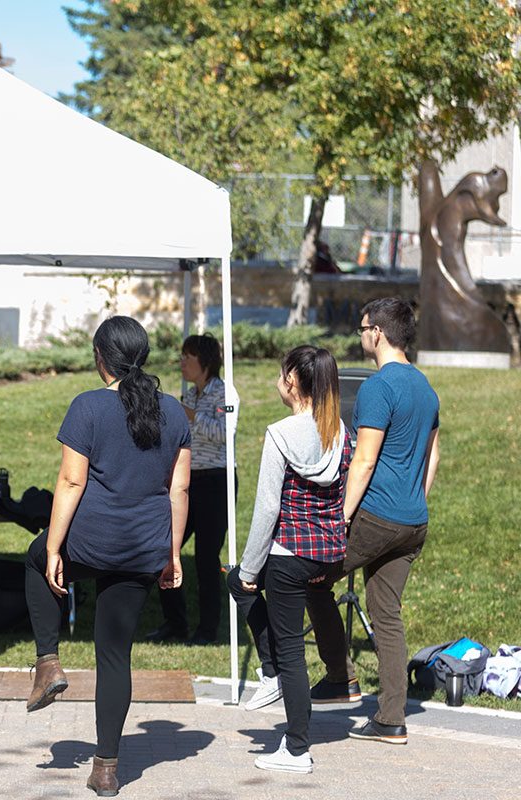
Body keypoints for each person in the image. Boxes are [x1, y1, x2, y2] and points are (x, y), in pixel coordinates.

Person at [24, 316, 190, 797]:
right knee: (115, 656)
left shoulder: (88, 407)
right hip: (143, 548)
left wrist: (54, 547)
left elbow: (72, 482)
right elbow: (178, 487)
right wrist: (172, 553)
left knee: (35, 562)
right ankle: (106, 769)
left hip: (90, 543)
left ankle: (48, 662)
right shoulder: (176, 413)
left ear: (101, 358)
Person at [305, 298, 440, 745]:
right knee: (386, 615)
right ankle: (390, 719)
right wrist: (413, 502)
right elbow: (431, 455)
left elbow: (363, 460)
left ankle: (340, 677)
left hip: (375, 516)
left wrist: (339, 518)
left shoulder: (379, 388)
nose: (361, 335)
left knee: (310, 578)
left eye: (363, 328)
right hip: (412, 522)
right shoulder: (425, 388)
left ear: (377, 333)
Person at [227, 345, 352, 774]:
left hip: (289, 555)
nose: (279, 380)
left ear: (294, 382)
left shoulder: (281, 433)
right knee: (240, 585)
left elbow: (266, 509)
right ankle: (272, 673)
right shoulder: (341, 433)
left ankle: (296, 747)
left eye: (282, 374)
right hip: (328, 555)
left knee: (290, 653)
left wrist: (248, 569)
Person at [149, 333, 236, 645]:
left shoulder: (225, 393)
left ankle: (208, 629)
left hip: (217, 481)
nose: (181, 362)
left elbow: (224, 431)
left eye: (188, 356)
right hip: (187, 482)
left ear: (206, 362)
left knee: (205, 558)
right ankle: (175, 623)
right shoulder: (189, 395)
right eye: (181, 356)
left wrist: (189, 415)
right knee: (163, 548)